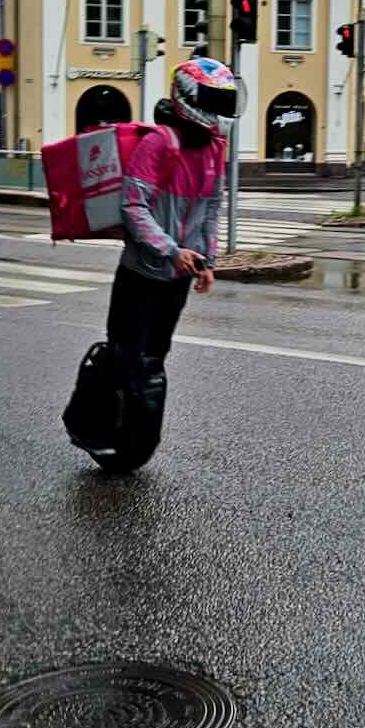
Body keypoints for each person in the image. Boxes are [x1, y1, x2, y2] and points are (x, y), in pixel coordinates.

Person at [63, 57, 237, 471]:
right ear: (187, 98)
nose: (219, 111)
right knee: (126, 356)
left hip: (176, 278)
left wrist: (207, 260)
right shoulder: (158, 142)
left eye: (224, 101)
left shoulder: (215, 149)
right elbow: (133, 206)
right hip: (140, 273)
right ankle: (97, 427)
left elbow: (211, 209)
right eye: (212, 99)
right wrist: (170, 249)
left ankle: (127, 442)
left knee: (151, 360)